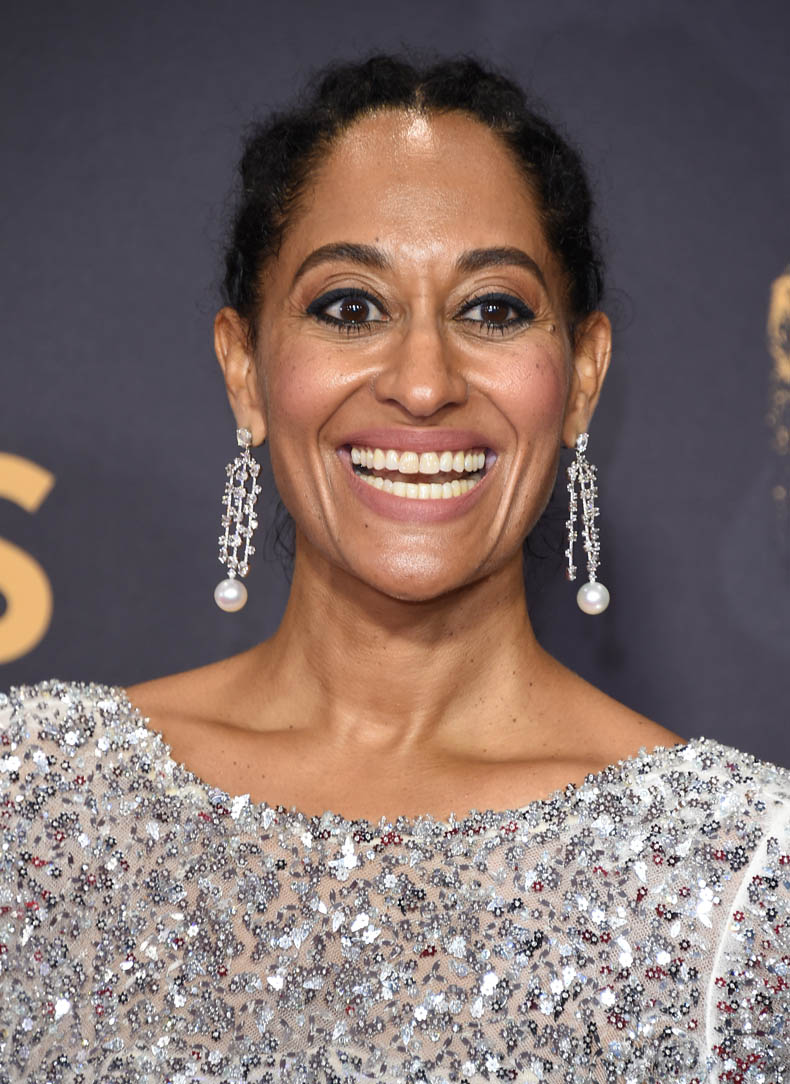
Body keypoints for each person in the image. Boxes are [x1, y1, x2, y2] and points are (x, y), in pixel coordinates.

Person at [1, 54, 788, 1083]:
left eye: (492, 309)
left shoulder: (738, 879)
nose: (423, 383)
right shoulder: (34, 803)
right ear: (244, 370)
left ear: (583, 377)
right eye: (349, 307)